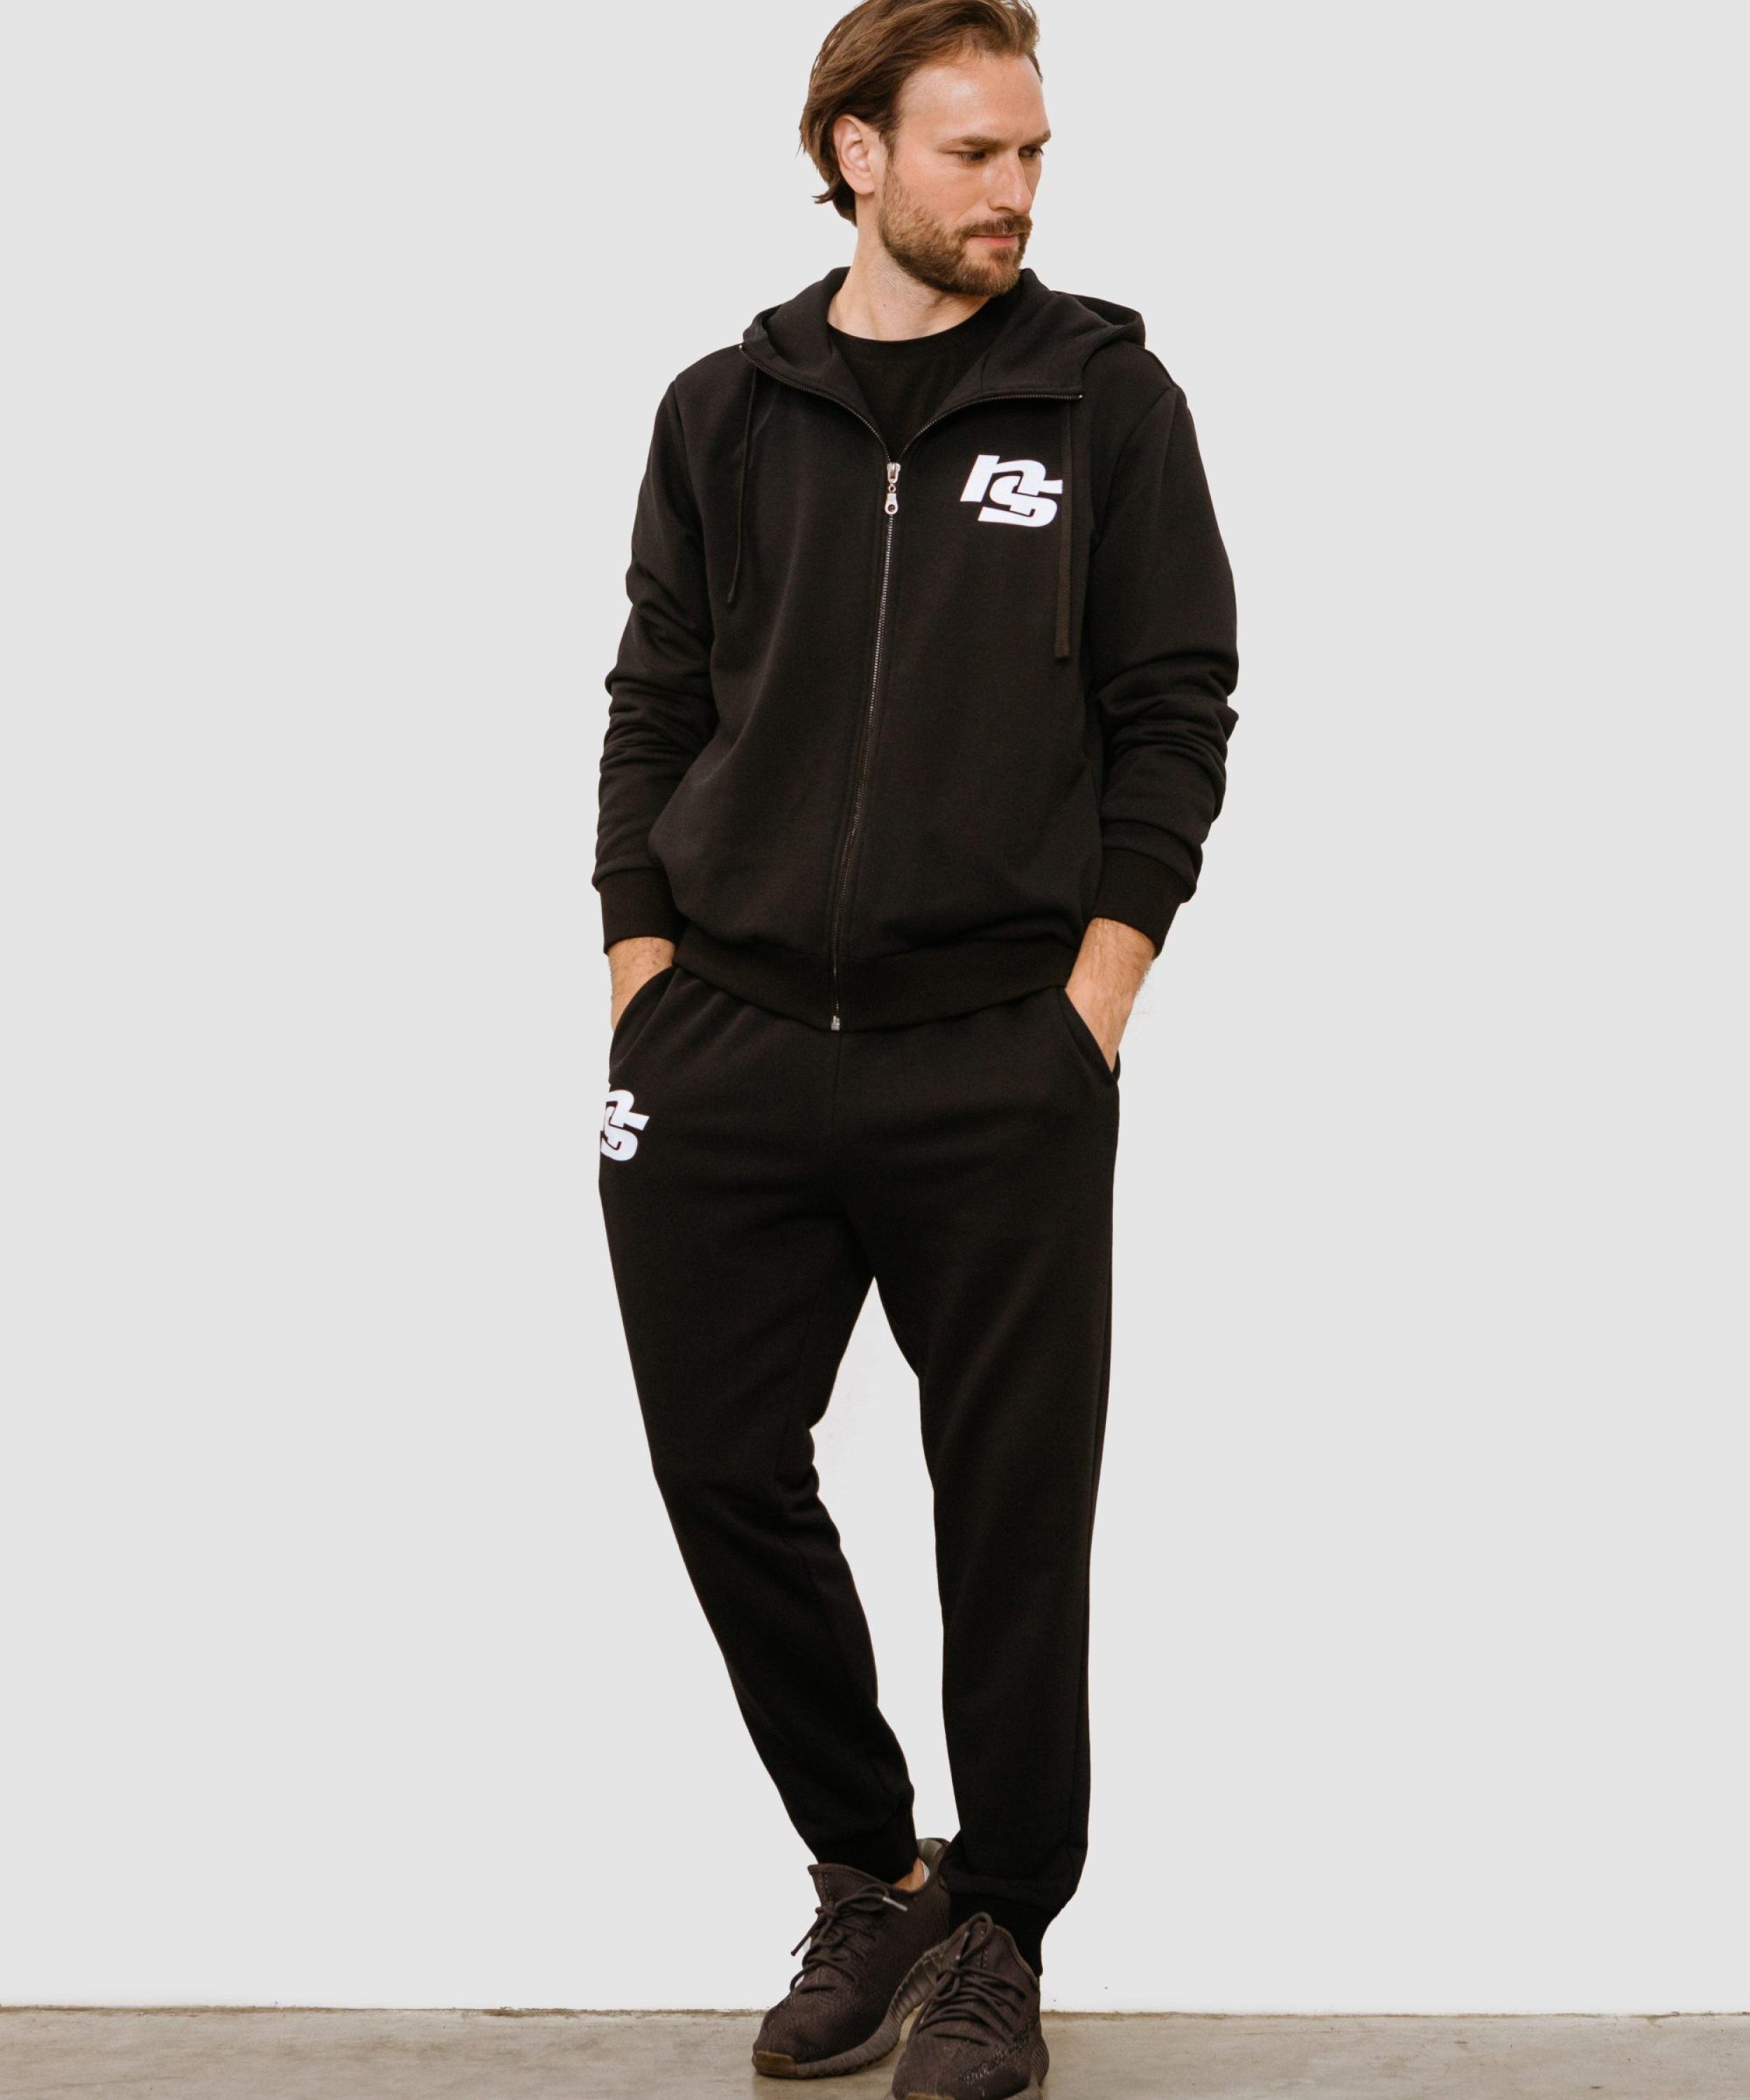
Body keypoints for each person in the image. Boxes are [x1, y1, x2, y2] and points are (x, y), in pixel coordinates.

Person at [594, 1, 1238, 2090]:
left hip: (995, 1056)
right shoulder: (724, 409)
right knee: (720, 1465)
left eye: (1032, 152)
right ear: (855, 152)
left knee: (1010, 1512)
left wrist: (1094, 1000)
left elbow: (1176, 710)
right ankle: (876, 1875)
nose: (1015, 191)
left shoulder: (1104, 399)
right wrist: (640, 966)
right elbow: (653, 702)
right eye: (974, 153)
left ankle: (1002, 1932)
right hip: (725, 1044)